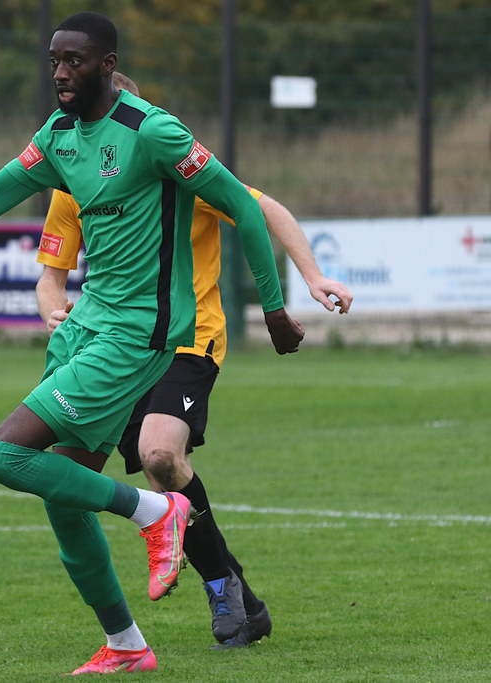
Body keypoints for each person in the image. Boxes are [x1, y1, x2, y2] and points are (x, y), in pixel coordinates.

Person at [0, 12, 304, 674]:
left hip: (139, 332)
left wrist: (274, 307)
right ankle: (127, 644)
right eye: (54, 60)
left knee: (1, 454)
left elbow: (245, 205)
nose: (59, 73)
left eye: (74, 61)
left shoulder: (153, 131)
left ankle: (156, 511)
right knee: (64, 497)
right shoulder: (57, 136)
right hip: (85, 328)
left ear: (107, 65)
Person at [36, 74, 354, 651]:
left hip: (189, 337)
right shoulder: (72, 175)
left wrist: (311, 277)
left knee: (160, 453)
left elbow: (263, 208)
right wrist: (53, 311)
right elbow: (50, 277)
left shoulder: (174, 165)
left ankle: (217, 590)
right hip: (114, 345)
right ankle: (237, 597)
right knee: (125, 474)